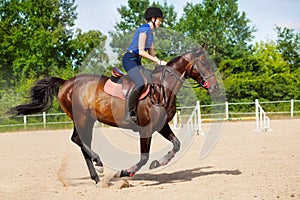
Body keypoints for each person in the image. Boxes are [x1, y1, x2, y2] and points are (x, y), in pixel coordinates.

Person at [122, 7, 167, 123]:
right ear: (153, 18)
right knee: (140, 83)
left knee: (150, 80)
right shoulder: (143, 30)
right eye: (159, 20)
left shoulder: (150, 34)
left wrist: (161, 62)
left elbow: (152, 54)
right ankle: (129, 112)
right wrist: (157, 62)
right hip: (129, 59)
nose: (160, 22)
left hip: (137, 61)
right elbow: (141, 51)